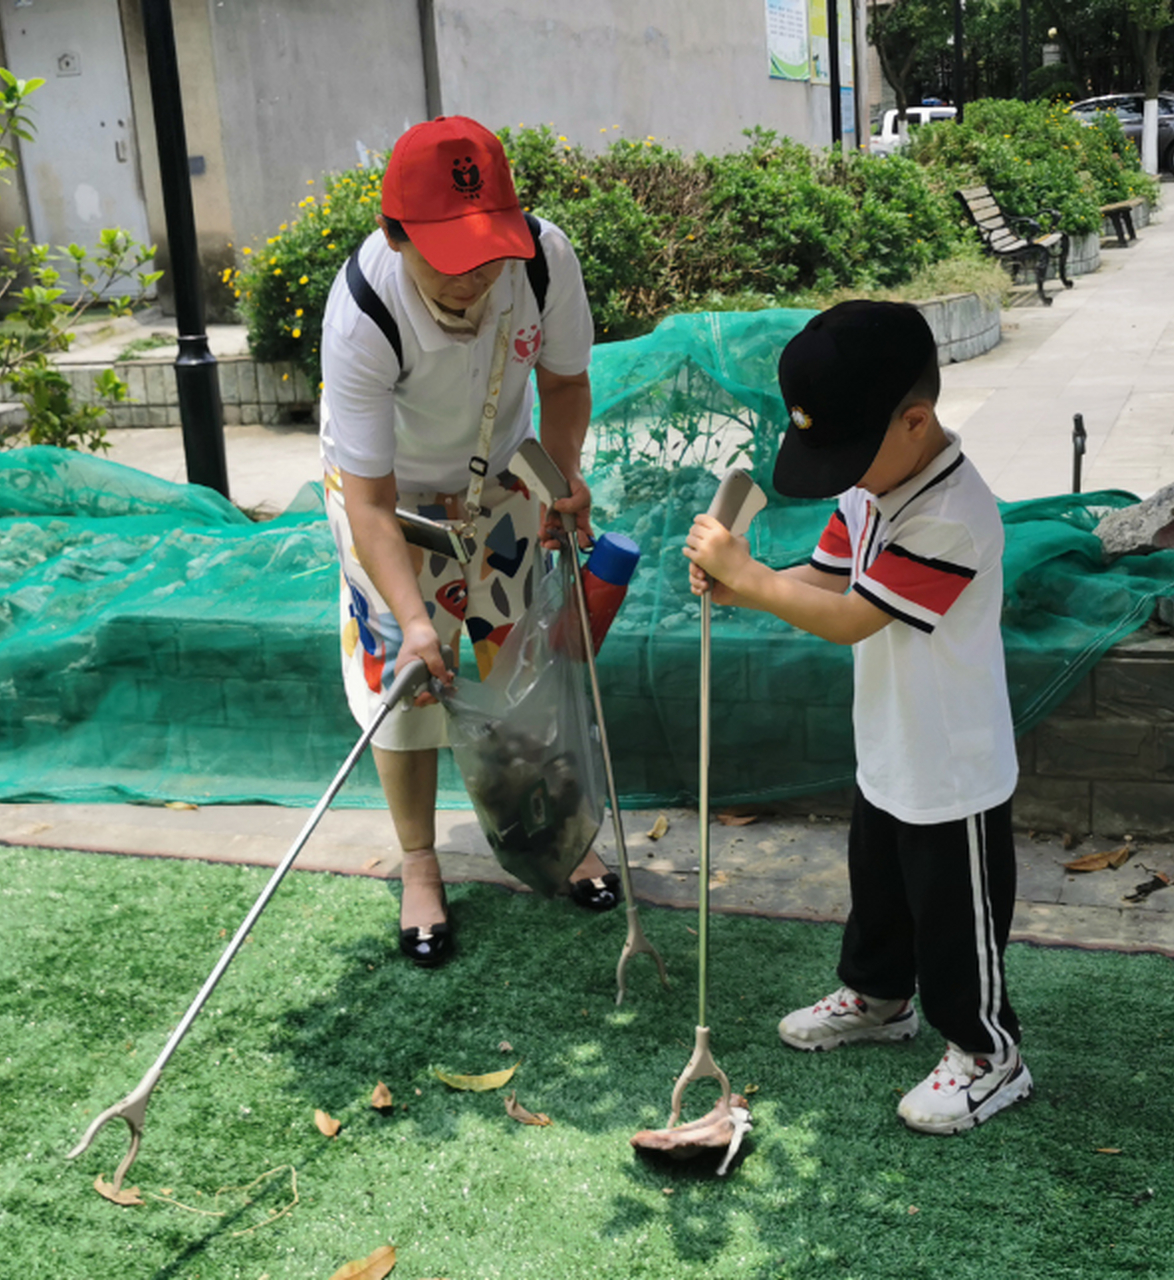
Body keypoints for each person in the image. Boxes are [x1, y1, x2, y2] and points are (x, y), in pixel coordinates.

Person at [682, 301, 1030, 1135]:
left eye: (847, 452)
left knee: (953, 913)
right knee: (880, 889)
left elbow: (852, 618)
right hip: (890, 741)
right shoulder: (872, 489)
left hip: (954, 767)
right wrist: (750, 579)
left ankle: (989, 1054)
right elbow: (828, 576)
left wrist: (752, 579)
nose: (839, 473)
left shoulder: (951, 514)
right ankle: (880, 998)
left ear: (916, 421)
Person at [319, 116, 618, 970]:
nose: (471, 280)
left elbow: (563, 384)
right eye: (446, 259)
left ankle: (553, 838)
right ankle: (421, 864)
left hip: (502, 475)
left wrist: (561, 477)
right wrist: (414, 618)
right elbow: (371, 502)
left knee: (511, 659)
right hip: (389, 495)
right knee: (409, 680)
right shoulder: (363, 312)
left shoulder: (542, 261)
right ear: (395, 234)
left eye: (487, 253)